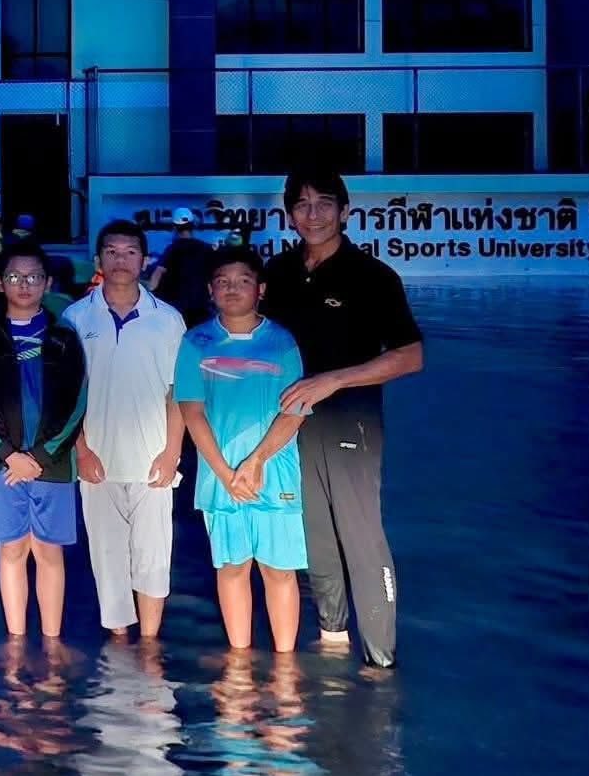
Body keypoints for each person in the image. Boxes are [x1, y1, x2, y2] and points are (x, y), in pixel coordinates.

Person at [261, 167, 423, 668]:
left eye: (324, 203)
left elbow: (410, 356)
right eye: (302, 204)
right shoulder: (279, 274)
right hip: (289, 424)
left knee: (361, 535)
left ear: (345, 212)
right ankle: (333, 636)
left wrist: (334, 379)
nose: (313, 214)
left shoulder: (372, 277)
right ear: (289, 215)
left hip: (350, 422)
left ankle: (381, 658)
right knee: (312, 534)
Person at [174, 246, 309, 651]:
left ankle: (285, 669)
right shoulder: (195, 341)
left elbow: (296, 410)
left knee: (280, 571)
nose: (233, 289)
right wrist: (225, 473)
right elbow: (192, 412)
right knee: (232, 568)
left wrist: (256, 461)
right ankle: (240, 666)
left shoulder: (282, 342)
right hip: (220, 477)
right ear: (210, 290)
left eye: (243, 282)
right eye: (223, 282)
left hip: (276, 472)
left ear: (261, 289)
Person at [62, 220, 186, 641]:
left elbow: (179, 392)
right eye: (111, 251)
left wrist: (171, 453)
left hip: (153, 456)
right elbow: (67, 394)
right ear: (98, 260)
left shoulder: (167, 319)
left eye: (130, 252)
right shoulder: (76, 317)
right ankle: (118, 641)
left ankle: (150, 643)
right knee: (107, 555)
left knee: (154, 555)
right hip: (97, 456)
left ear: (144, 259)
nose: (120, 260)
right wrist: (81, 449)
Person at [0, 241, 87, 644]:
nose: (24, 285)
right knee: (12, 550)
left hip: (53, 462)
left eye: (34, 277)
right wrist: (9, 455)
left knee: (50, 553)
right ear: (0, 282)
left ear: (47, 282)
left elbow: (77, 401)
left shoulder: (64, 338)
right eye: (15, 277)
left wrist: (41, 455)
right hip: (2, 464)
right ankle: (17, 641)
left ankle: (52, 641)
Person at [147, 207, 215, 327]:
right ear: (193, 226)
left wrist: (148, 296)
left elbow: (158, 274)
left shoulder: (173, 249)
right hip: (201, 309)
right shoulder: (207, 249)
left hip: (177, 311)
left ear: (174, 228)